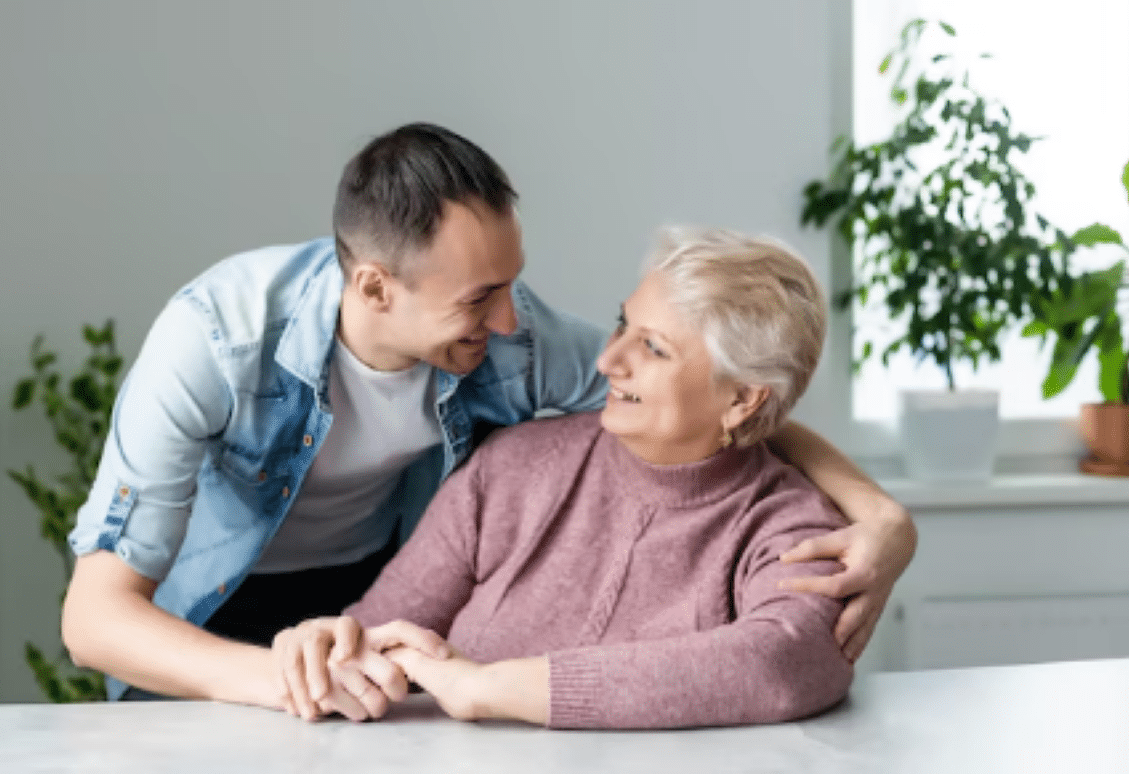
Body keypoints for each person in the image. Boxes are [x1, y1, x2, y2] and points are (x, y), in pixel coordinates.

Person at [62, 123, 915, 717]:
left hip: (360, 595)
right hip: (201, 617)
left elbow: (716, 409)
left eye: (512, 284)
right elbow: (95, 620)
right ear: (373, 289)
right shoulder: (215, 343)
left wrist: (878, 516)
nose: (512, 322)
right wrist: (291, 676)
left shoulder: (514, 340)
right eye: (480, 298)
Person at [277, 227, 857, 729]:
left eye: (652, 349)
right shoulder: (513, 468)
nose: (608, 361)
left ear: (742, 400)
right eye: (622, 325)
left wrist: (488, 690)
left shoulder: (793, 527)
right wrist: (328, 648)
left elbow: (785, 663)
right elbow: (377, 633)